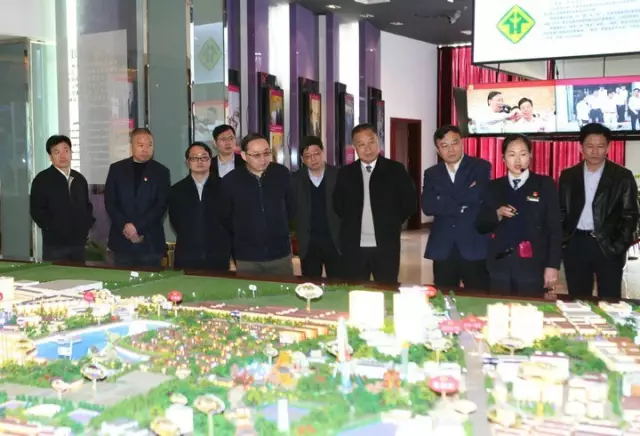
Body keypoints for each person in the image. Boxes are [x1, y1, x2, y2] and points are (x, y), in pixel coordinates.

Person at [559, 123, 639, 299]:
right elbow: (561, 211)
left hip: (607, 244)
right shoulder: (568, 176)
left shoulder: (622, 176)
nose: (595, 151)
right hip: (576, 244)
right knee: (578, 300)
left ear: (608, 148)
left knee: (610, 300)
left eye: (600, 146)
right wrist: (564, 241)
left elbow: (630, 215)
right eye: (590, 146)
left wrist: (618, 246)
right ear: (581, 147)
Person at [476, 134, 561, 297]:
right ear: (503, 158)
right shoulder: (493, 187)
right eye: (511, 154)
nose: (517, 160)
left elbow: (555, 228)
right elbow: (481, 225)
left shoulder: (544, 184)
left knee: (530, 309)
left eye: (522, 154)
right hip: (499, 267)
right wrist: (497, 214)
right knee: (499, 308)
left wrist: (552, 265)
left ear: (530, 156)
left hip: (532, 266)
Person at [333, 123, 417, 283]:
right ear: (355, 148)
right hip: (354, 246)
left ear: (378, 141)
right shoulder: (345, 173)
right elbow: (338, 205)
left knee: (387, 288)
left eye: (371, 142)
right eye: (361, 144)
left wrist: (392, 222)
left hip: (386, 245)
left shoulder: (395, 170)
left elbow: (409, 203)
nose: (368, 148)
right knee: (356, 290)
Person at [422, 125, 490, 292]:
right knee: (444, 296)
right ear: (438, 150)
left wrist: (443, 200)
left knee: (478, 296)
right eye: (444, 145)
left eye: (454, 143)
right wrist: (464, 201)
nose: (451, 149)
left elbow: (479, 195)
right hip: (443, 247)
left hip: (473, 244)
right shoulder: (431, 173)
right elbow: (428, 206)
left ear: (462, 143)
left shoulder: (480, 167)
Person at [219, 133, 294, 276]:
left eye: (266, 153)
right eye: (256, 155)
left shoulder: (282, 174)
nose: (263, 159)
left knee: (282, 289)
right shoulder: (231, 181)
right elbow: (225, 217)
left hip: (280, 254)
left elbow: (291, 207)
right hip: (247, 256)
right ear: (244, 155)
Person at [104, 128, 170, 267]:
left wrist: (137, 227)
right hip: (122, 241)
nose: (145, 149)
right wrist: (126, 226)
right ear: (132, 146)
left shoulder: (161, 172)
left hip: (150, 243)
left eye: (149, 145)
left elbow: (161, 205)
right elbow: (110, 202)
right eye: (140, 145)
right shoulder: (116, 169)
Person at [30, 135, 95, 262]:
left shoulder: (79, 179)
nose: (63, 155)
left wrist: (86, 226)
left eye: (66, 150)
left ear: (71, 153)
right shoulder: (42, 179)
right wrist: (53, 228)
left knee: (79, 274)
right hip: (55, 245)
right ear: (50, 157)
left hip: (78, 244)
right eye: (57, 152)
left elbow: (87, 206)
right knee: (56, 274)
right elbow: (37, 211)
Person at [168, 142, 230, 271]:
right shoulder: (177, 190)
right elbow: (176, 222)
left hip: (218, 255)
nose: (199, 161)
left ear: (210, 160)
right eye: (194, 158)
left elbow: (229, 220)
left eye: (204, 157)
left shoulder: (225, 187)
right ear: (187, 162)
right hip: (187, 255)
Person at [291, 136, 341, 279]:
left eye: (316, 153)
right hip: (309, 244)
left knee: (338, 284)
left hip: (335, 242)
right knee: (311, 285)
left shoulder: (338, 176)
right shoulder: (295, 180)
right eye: (308, 156)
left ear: (323, 152)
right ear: (302, 159)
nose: (313, 159)